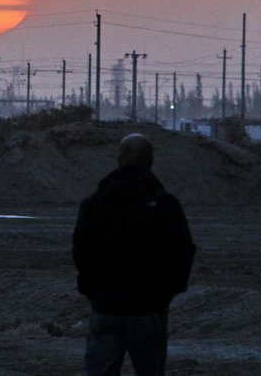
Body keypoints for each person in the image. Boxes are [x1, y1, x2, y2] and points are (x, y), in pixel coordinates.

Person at [72, 133, 196, 376]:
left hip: (105, 306)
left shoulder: (95, 203)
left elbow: (81, 249)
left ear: (119, 159)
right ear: (150, 161)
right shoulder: (164, 204)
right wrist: (167, 291)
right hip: (148, 309)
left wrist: (90, 287)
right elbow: (182, 251)